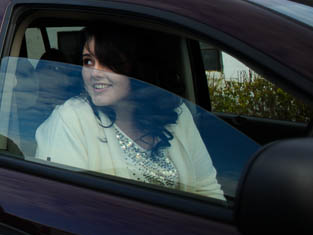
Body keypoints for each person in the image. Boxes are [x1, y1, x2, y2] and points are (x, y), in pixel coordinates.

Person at [34, 24, 224, 200]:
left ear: (136, 67)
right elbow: (69, 206)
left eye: (109, 61)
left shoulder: (177, 114)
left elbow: (207, 190)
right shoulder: (72, 118)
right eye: (88, 61)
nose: (95, 72)